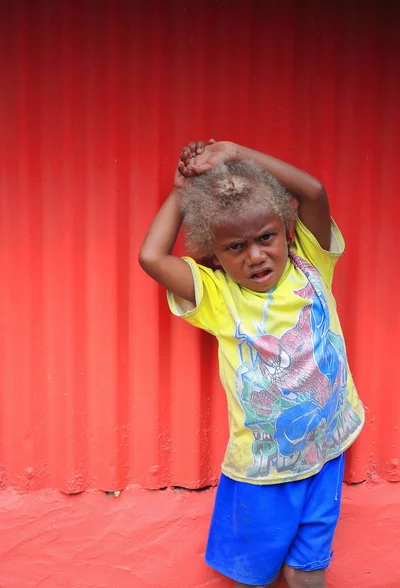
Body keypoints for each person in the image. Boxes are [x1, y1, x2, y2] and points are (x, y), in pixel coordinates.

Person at [139, 139, 364, 588]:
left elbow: (314, 192)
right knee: (252, 576)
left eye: (266, 238)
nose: (256, 255)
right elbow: (151, 257)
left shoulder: (310, 261)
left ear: (286, 229)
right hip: (265, 471)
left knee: (309, 568)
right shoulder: (221, 296)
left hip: (327, 449)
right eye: (236, 247)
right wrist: (182, 194)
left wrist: (235, 153)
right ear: (215, 255)